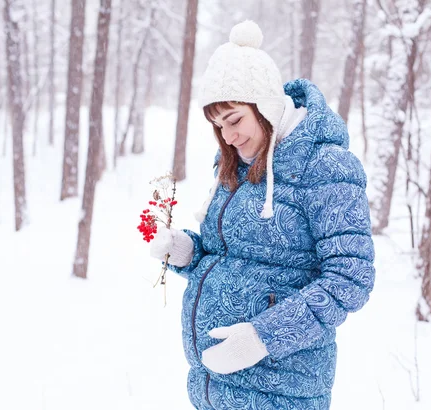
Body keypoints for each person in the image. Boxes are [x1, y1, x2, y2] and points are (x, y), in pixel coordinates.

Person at [149, 20, 375, 410]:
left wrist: (263, 337)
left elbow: (350, 278)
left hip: (282, 392)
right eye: (219, 127)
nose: (229, 136)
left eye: (235, 119)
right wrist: (187, 252)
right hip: (214, 389)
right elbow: (232, 258)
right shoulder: (233, 166)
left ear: (265, 106)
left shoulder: (325, 167)